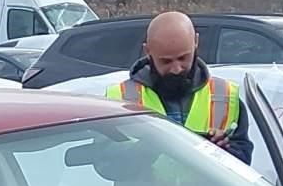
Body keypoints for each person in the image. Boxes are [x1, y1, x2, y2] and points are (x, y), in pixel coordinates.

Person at [105, 13, 252, 164]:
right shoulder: (120, 99)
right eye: (166, 61)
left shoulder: (225, 96)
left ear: (196, 42)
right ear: (148, 51)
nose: (176, 69)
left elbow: (244, 162)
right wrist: (149, 147)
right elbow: (106, 164)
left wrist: (223, 150)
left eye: (183, 58)